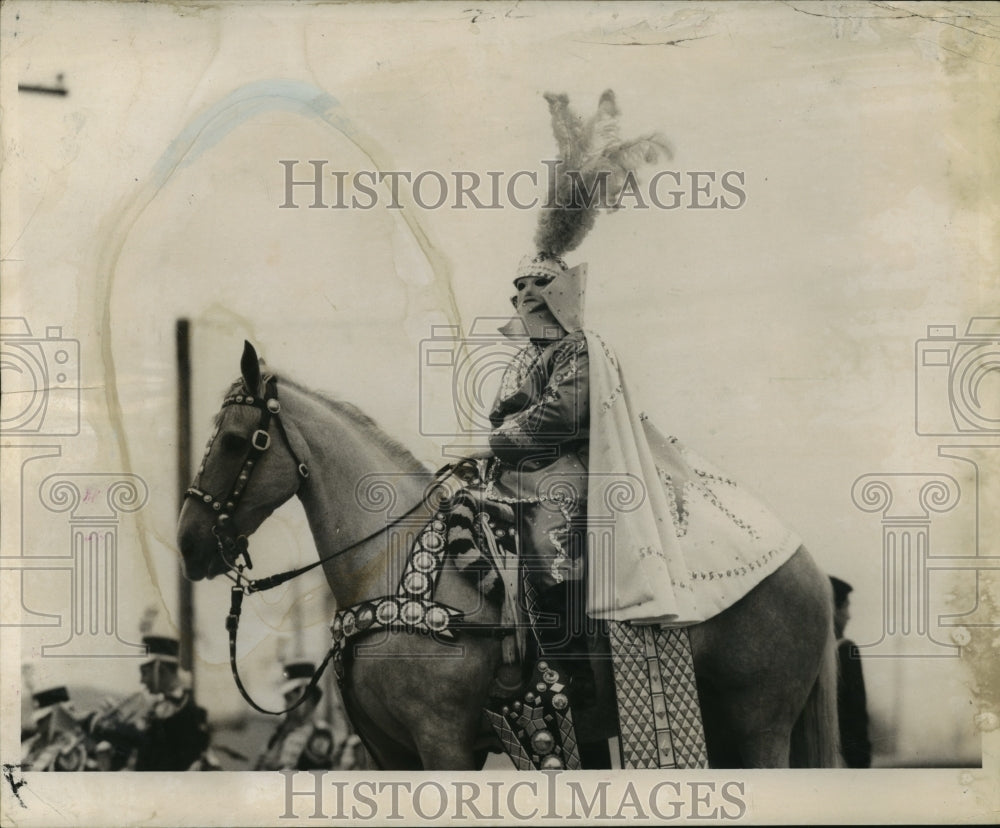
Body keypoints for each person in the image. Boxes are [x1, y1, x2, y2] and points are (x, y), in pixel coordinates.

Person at [89, 634, 210, 771]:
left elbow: (148, 741)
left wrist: (105, 725)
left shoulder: (185, 711)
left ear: (160, 669)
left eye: (145, 673)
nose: (142, 681)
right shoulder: (163, 707)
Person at [255, 661, 336, 771]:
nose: (286, 705)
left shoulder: (320, 733)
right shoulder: (280, 732)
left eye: (290, 699)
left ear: (307, 699)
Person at [830, 576, 872, 768]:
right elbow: (855, 714)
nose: (849, 615)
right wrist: (861, 761)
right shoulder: (846, 650)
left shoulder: (805, 654)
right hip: (840, 759)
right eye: (845, 607)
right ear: (833, 609)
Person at [21, 686, 89, 772]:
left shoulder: (71, 744)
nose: (38, 724)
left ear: (55, 717)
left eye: (42, 720)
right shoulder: (35, 742)